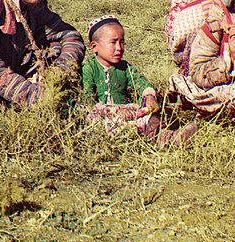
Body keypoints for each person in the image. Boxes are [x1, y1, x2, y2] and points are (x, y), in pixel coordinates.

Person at [83, 15, 198, 145]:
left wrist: (149, 97)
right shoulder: (89, 69)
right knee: (94, 118)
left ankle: (167, 138)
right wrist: (113, 111)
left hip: (129, 114)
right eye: (113, 42)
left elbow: (141, 82)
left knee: (151, 116)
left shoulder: (125, 67)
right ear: (94, 47)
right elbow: (87, 101)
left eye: (122, 42)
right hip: (104, 115)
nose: (119, 48)